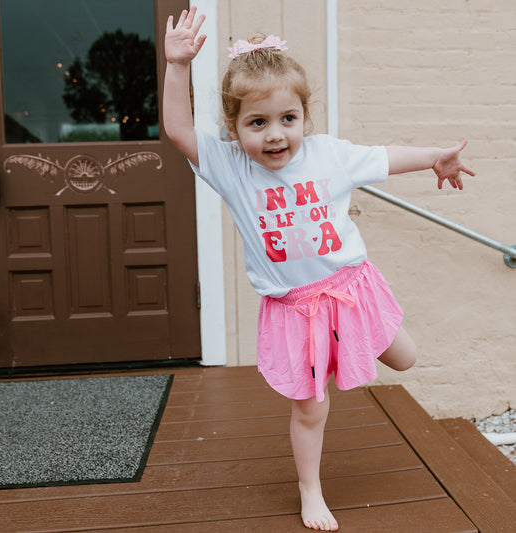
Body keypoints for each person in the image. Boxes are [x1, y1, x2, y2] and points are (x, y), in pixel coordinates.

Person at [163, 7, 475, 531]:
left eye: (288, 119)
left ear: (304, 116)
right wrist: (176, 66)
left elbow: (384, 156)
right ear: (234, 129)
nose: (276, 135)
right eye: (257, 123)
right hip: (295, 310)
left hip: (352, 288)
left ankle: (348, 344)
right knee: (311, 406)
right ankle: (311, 490)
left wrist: (433, 158)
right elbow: (176, 130)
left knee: (407, 358)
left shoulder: (329, 156)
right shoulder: (233, 168)